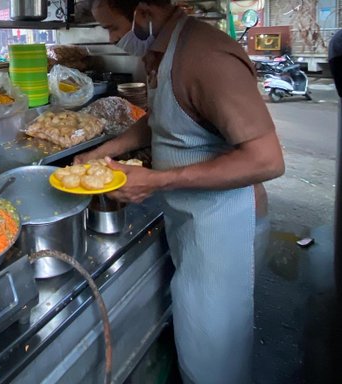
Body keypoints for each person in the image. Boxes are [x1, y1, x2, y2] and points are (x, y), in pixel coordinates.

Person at [80, 1, 285, 383]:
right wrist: (104, 151)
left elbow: (267, 160)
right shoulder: (161, 50)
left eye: (111, 28)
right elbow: (165, 121)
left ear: (142, 14)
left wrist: (156, 180)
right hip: (192, 219)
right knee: (196, 342)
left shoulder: (206, 57)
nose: (111, 39)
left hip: (227, 229)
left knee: (214, 361)